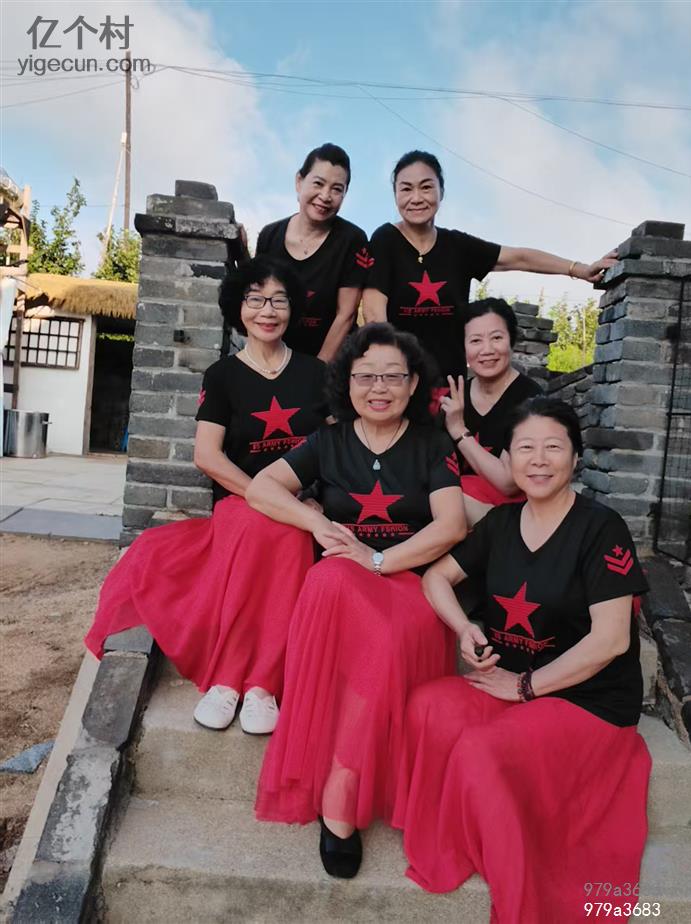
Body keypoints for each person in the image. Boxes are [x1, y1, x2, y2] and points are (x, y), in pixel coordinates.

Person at [394, 397, 651, 924]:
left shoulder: (601, 528)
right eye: (525, 448)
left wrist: (525, 687)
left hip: (586, 700)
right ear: (507, 460)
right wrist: (464, 627)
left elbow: (611, 641)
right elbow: (436, 577)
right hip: (510, 681)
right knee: (427, 706)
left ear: (575, 457)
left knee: (480, 750)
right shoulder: (501, 523)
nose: (538, 460)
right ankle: (461, 838)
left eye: (553, 447)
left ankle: (523, 890)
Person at [246, 322, 467, 879]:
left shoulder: (432, 445)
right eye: (365, 376)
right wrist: (316, 525)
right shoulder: (330, 441)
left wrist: (379, 560)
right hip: (344, 585)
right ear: (347, 382)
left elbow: (451, 525)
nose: (379, 388)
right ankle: (339, 782)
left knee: (384, 639)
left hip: (408, 585)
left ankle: (342, 787)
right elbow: (261, 487)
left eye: (393, 376)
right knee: (327, 579)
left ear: (413, 384)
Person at [85, 256, 327, 735]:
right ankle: (227, 679)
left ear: (293, 309)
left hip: (299, 503)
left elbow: (334, 449)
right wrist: (264, 496)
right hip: (240, 501)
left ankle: (263, 685)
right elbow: (207, 456)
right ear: (239, 307)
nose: (267, 311)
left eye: (278, 301)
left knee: (292, 536)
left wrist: (313, 499)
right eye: (256, 299)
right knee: (259, 526)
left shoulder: (316, 373)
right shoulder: (222, 376)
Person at [363, 150, 616, 384]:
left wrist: (580, 270)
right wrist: (395, 374)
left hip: (449, 386)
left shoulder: (457, 246)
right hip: (399, 383)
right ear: (395, 194)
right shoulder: (385, 240)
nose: (416, 198)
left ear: (441, 191)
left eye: (426, 187)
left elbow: (519, 258)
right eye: (406, 189)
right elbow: (374, 314)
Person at [256, 143, 369, 362]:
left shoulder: (352, 239)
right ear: (299, 181)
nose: (325, 196)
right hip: (276, 357)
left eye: (337, 189)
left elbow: (346, 315)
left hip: (331, 362)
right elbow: (259, 298)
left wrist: (318, 370)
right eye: (318, 183)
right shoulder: (270, 235)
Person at [440, 297, 542, 526]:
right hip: (461, 509)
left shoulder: (530, 399)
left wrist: (458, 430)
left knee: (447, 499)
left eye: (496, 338)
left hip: (515, 513)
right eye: (475, 340)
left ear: (511, 341)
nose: (487, 350)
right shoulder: (455, 395)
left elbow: (508, 482)